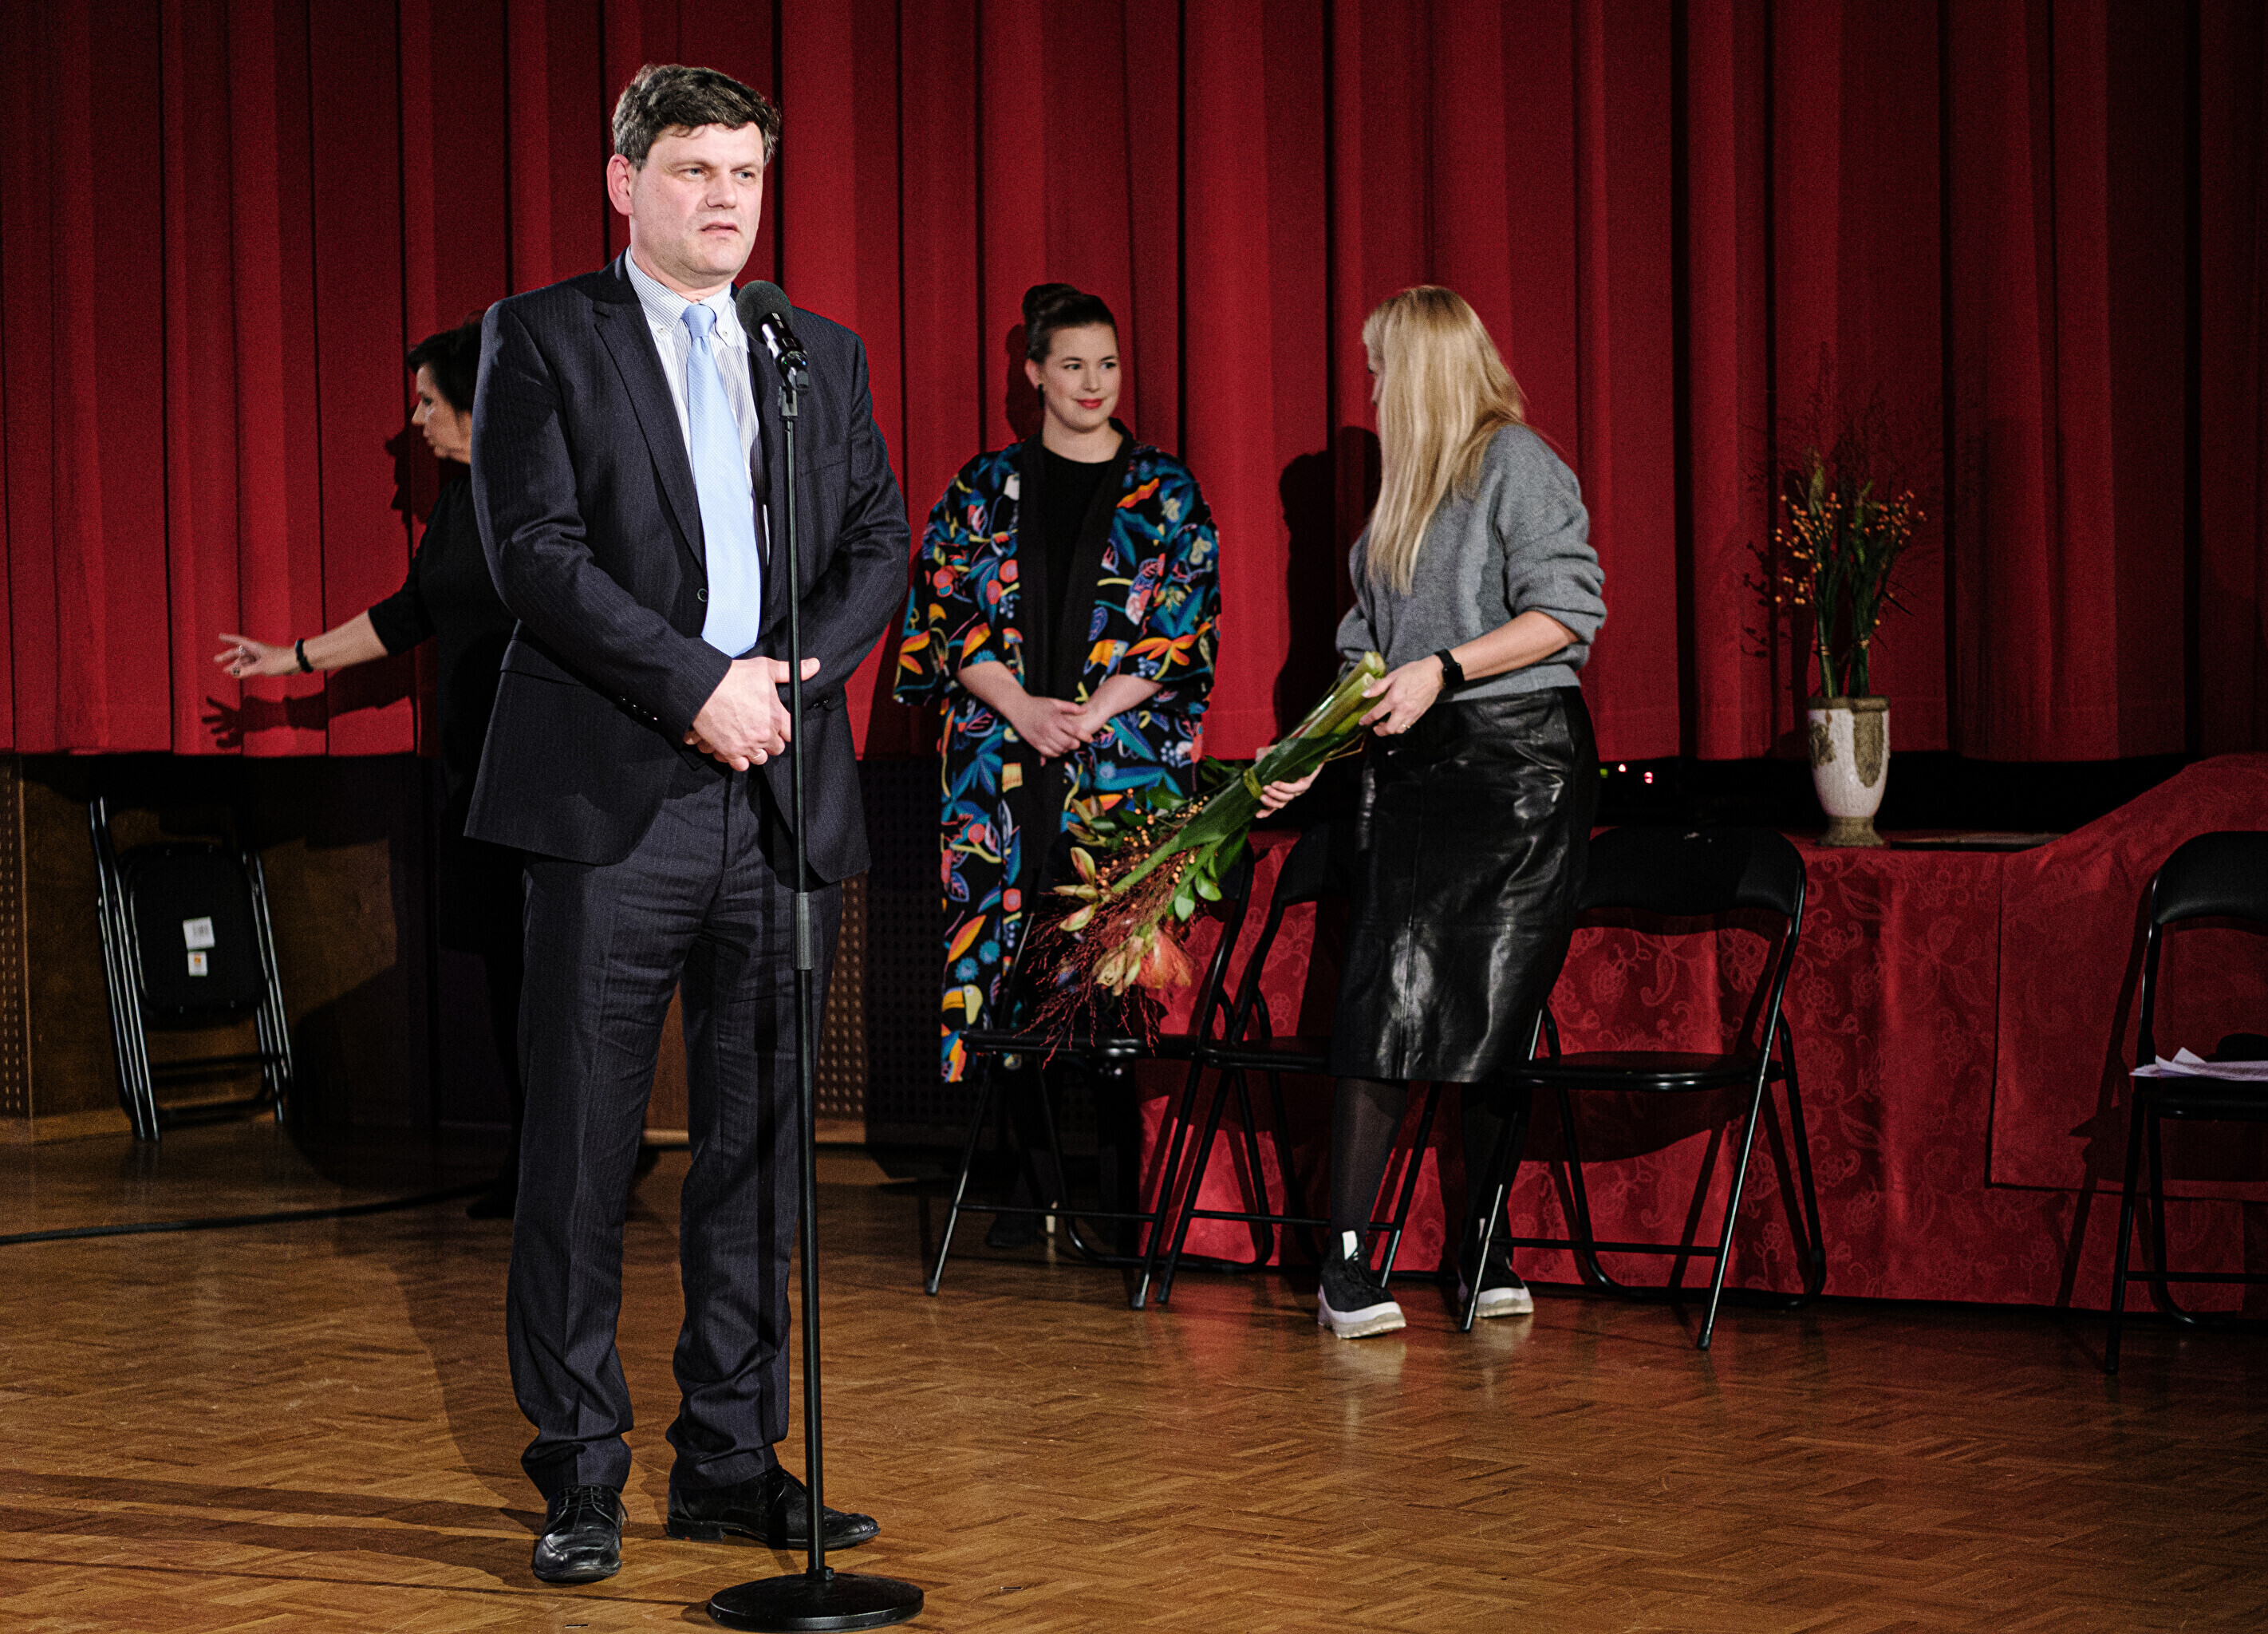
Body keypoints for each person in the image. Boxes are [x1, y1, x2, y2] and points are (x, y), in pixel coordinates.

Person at [464, 64, 909, 1584]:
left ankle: (729, 1458)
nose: (725, 198)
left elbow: (876, 541)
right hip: (616, 801)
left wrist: (790, 676)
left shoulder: (814, 350)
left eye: (745, 173)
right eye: (693, 170)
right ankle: (580, 1469)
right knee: (584, 1153)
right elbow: (535, 555)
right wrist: (696, 687)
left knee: (760, 1156)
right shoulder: (543, 337)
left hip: (779, 790)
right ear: (624, 182)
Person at [1264, 286, 1605, 1340]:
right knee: (1386, 1005)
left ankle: (1483, 1246)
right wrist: (1305, 756)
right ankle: (1346, 1262)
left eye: (1380, 369)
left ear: (1420, 372)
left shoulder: (1516, 462)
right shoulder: (1401, 498)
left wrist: (1444, 668)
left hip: (1519, 773)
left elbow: (1567, 613)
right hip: (1415, 776)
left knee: (1493, 1011)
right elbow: (1365, 659)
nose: (1371, 388)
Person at [892, 283, 1221, 1238]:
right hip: (999, 769)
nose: (1093, 382)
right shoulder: (980, 487)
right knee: (1006, 969)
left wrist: (1087, 716)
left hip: (1124, 768)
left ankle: (1119, 1193)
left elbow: (1182, 627)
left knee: (1117, 975)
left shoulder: (1167, 492)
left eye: (1107, 364)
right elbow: (946, 614)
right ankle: (1025, 1186)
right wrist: (1025, 710)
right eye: (1072, 364)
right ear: (1034, 372)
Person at [214, 319, 529, 1221]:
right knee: (506, 975)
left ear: (473, 401)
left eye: (427, 401)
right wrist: (290, 659)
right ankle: (530, 1157)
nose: (415, 421)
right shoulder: (459, 504)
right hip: (471, 777)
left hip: (542, 779)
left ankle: (571, 1166)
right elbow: (408, 614)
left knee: (553, 978)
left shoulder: (536, 499)